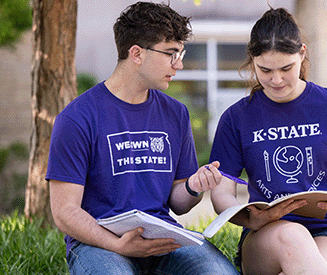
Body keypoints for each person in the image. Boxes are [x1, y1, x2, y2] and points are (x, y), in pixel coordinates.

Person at [46, 2, 239, 274]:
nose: (180, 64)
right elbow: (65, 213)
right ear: (136, 53)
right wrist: (120, 245)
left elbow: (178, 203)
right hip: (100, 244)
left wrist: (194, 186)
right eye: (171, 54)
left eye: (180, 53)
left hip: (163, 239)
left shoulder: (175, 113)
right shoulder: (78, 118)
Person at [210, 8, 327, 275]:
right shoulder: (237, 118)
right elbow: (221, 192)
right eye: (265, 70)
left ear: (302, 54)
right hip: (266, 234)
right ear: (252, 61)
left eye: (286, 68)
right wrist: (248, 217)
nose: (276, 79)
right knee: (292, 236)